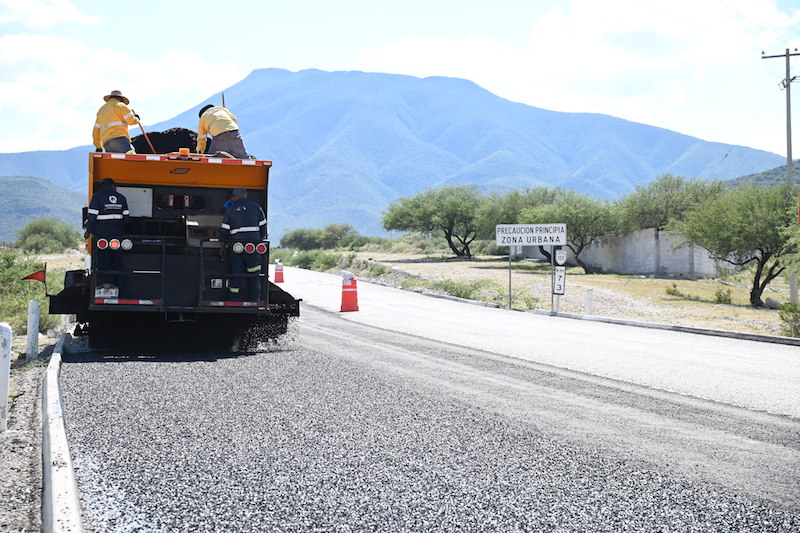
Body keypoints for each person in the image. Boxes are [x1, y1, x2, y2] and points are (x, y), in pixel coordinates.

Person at [85, 178, 130, 296]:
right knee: (118, 263)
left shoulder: (97, 196)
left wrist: (88, 231)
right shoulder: (121, 197)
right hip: (118, 237)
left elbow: (92, 217)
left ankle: (109, 289)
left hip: (102, 237)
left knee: (105, 263)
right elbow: (126, 219)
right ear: (113, 186)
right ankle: (123, 290)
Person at [220, 187, 266, 301]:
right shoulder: (257, 207)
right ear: (246, 196)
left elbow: (225, 230)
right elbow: (263, 227)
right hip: (253, 246)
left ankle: (233, 300)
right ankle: (255, 299)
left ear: (234, 197)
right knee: (254, 274)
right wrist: (260, 240)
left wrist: (222, 246)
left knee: (236, 274)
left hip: (236, 246)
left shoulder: (230, 209)